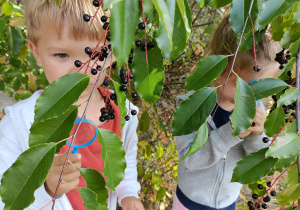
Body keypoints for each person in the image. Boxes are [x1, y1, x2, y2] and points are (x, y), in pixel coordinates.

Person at [0, 0, 144, 209]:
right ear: (36, 52)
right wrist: (46, 188)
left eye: (95, 54)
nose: (80, 70)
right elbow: (7, 200)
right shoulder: (18, 125)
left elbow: (124, 161)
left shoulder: (122, 112)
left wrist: (129, 194)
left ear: (112, 52)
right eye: (62, 55)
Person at [173, 15, 281, 210]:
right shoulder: (191, 106)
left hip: (227, 203)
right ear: (219, 69)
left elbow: (256, 163)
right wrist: (230, 134)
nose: (252, 95)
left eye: (263, 88)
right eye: (247, 86)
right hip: (189, 202)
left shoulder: (255, 109)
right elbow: (188, 158)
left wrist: (257, 136)